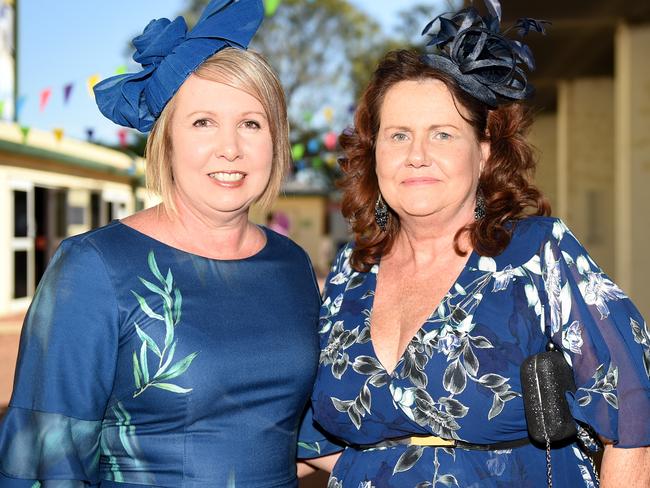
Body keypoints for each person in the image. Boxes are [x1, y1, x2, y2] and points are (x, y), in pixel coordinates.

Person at [306, 1, 650, 486]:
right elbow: (304, 429)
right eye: (398, 135)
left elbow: (633, 419)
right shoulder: (350, 273)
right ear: (374, 153)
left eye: (443, 134)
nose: (417, 155)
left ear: (483, 153)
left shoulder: (537, 256)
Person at [0, 1, 327, 486]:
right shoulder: (93, 268)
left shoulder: (291, 263)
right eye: (202, 122)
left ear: (276, 140)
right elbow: (46, 460)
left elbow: (298, 434)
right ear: (166, 141)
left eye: (251, 123)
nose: (230, 147)